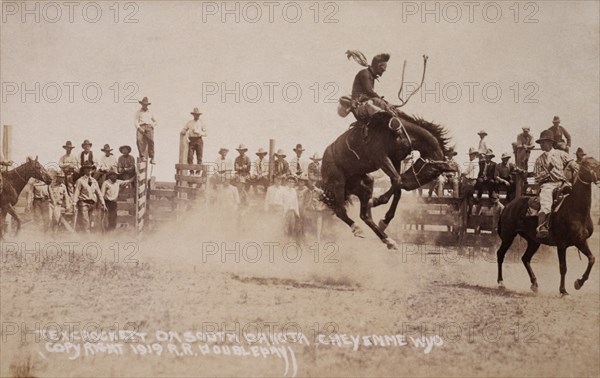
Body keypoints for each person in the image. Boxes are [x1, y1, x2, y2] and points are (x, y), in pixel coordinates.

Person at [533, 130, 576, 238]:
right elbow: (537, 178)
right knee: (546, 201)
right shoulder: (539, 160)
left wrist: (574, 166)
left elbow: (571, 162)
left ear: (550, 143)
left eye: (543, 142)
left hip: (562, 183)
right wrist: (547, 171)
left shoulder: (561, 154)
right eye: (540, 143)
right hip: (548, 185)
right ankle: (542, 226)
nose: (541, 145)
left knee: (575, 196)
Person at [73, 162, 106, 233]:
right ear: (84, 170)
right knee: (85, 220)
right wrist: (74, 203)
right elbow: (76, 192)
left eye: (90, 168)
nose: (89, 170)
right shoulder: (80, 181)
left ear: (92, 170)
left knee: (92, 220)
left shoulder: (94, 181)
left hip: (92, 203)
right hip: (83, 203)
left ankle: (91, 234)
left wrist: (103, 203)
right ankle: (87, 237)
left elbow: (99, 193)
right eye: (87, 168)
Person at [181, 107, 207, 174]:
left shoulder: (202, 122)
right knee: (190, 156)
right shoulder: (190, 122)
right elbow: (184, 129)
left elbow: (206, 133)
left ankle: (198, 172)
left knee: (199, 156)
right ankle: (191, 171)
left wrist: (198, 132)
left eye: (197, 115)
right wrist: (183, 131)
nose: (196, 116)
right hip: (191, 140)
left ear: (199, 115)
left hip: (199, 140)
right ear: (193, 115)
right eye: (195, 114)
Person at [134, 96, 157, 164]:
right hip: (141, 126)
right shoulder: (138, 112)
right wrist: (139, 128)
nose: (145, 105)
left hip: (148, 126)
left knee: (151, 141)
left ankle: (152, 158)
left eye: (146, 104)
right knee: (138, 140)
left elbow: (155, 121)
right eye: (144, 104)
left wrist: (152, 125)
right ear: (142, 104)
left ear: (147, 105)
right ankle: (142, 156)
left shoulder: (150, 112)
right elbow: (135, 122)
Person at [281, 175, 300, 240]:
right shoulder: (283, 190)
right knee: (284, 228)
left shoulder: (294, 191)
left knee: (291, 228)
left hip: (292, 212)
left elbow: (295, 202)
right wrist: (283, 210)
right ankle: (283, 242)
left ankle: (290, 242)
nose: (291, 183)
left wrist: (297, 213)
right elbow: (280, 201)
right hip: (284, 212)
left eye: (293, 182)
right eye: (289, 181)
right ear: (286, 182)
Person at [461, 147, 480, 215]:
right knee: (470, 197)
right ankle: (470, 212)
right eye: (469, 155)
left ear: (474, 155)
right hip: (473, 181)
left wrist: (462, 173)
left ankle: (458, 208)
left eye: (471, 155)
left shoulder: (473, 162)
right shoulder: (476, 162)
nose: (469, 156)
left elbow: (467, 171)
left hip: (470, 181)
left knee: (462, 195)